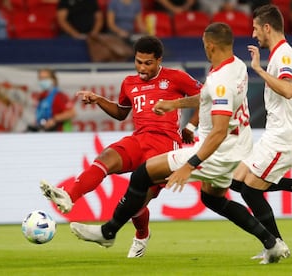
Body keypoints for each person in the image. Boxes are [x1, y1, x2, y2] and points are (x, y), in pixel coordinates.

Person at [68, 22, 290, 265]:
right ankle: (272, 243)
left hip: (218, 151)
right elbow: (206, 97)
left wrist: (190, 165)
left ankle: (108, 232)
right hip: (238, 147)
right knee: (213, 199)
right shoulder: (236, 66)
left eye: (204, 45)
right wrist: (174, 105)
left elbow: (217, 131)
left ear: (210, 45)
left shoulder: (220, 80)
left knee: (142, 175)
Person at [40, 35, 201, 258]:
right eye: (138, 62)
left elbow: (205, 97)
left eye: (148, 63)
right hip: (139, 138)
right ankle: (70, 196)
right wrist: (98, 99)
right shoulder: (129, 83)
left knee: (136, 200)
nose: (142, 68)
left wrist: (192, 125)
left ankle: (142, 234)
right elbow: (121, 112)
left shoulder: (175, 77)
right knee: (106, 156)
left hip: (165, 146)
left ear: (159, 60)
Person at [229, 4, 292, 260]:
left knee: (250, 191)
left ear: (267, 27)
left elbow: (288, 90)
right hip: (275, 134)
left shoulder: (285, 55)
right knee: (236, 181)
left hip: (285, 136)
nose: (254, 34)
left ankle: (276, 246)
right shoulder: (278, 54)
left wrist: (258, 70)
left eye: (256, 28)